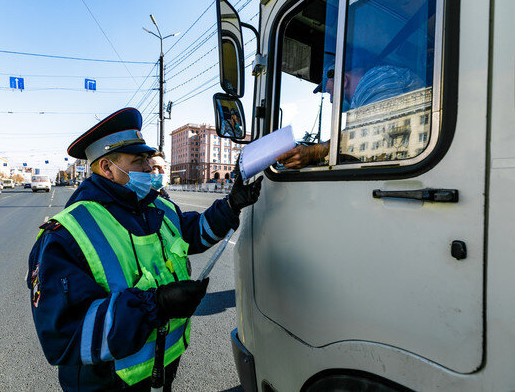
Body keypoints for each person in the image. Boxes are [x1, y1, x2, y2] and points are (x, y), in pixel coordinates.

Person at [27, 107, 263, 391]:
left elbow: (193, 233)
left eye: (149, 160)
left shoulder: (158, 206)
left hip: (161, 370)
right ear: (107, 168)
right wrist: (155, 305)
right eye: (139, 161)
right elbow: (65, 334)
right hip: (108, 383)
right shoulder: (67, 232)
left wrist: (230, 205)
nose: (151, 169)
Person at [278, 50, 424, 169]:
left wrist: (314, 152)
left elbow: (374, 136)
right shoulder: (368, 91)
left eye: (330, 92)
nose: (331, 100)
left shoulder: (375, 79)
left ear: (343, 81)